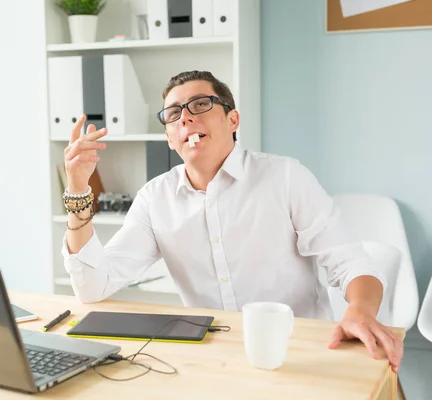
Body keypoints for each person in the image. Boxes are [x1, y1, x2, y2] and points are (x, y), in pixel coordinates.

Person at [60, 70, 403, 372]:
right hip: (212, 357)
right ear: (169, 136)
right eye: (173, 113)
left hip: (298, 351)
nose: (185, 118)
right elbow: (92, 287)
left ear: (233, 120)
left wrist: (360, 308)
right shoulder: (155, 198)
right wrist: (78, 187)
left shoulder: (285, 176)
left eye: (200, 105)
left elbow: (350, 262)